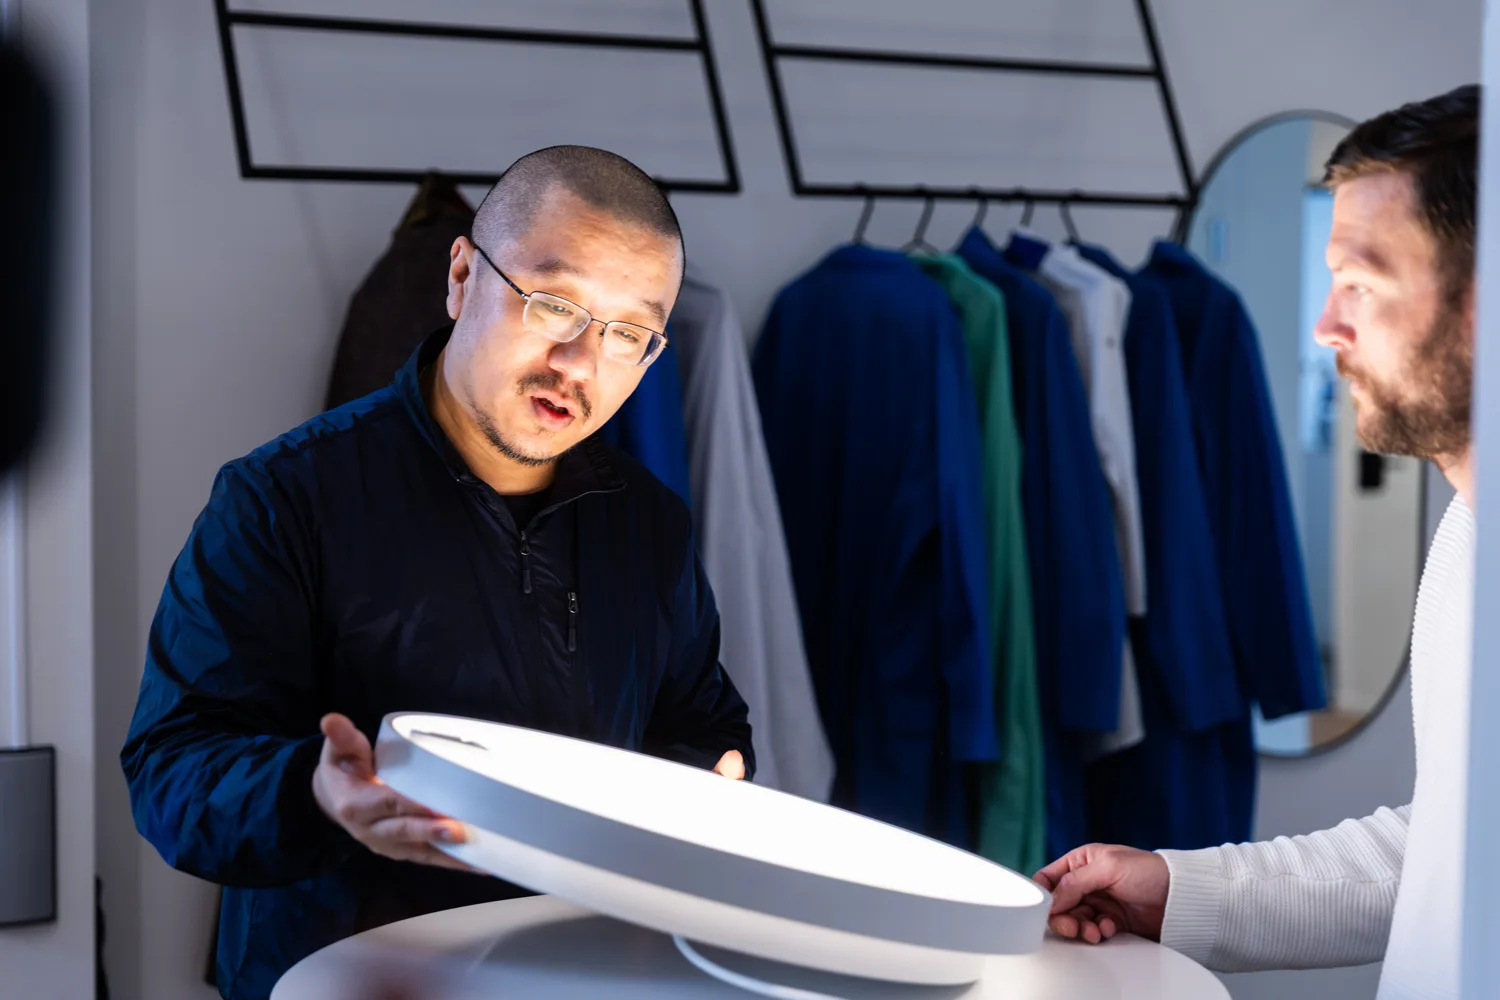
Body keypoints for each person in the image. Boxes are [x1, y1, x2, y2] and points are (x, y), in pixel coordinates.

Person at [121, 146, 753, 1000]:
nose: (578, 361)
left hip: (577, 979)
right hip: (346, 979)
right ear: (462, 277)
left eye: (626, 334)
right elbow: (172, 770)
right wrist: (313, 789)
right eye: (552, 303)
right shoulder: (283, 498)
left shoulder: (648, 523)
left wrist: (702, 786)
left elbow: (702, 721)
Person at [1034, 85, 1479, 1000]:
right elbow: (1452, 849)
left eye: (1359, 283)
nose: (1325, 327)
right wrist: (1181, 891)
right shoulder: (1470, 527)